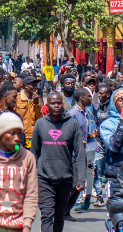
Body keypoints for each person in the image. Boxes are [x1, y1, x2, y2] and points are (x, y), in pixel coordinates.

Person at [32, 91, 87, 232]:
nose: (56, 106)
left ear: (63, 105)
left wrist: (81, 178)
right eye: (52, 103)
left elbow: (79, 153)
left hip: (65, 179)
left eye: (58, 103)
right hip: (44, 178)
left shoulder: (72, 124)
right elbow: (34, 154)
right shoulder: (40, 124)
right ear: (47, 106)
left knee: (60, 216)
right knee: (46, 216)